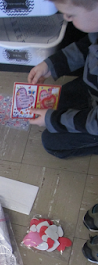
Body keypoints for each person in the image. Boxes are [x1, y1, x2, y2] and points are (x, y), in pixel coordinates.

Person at [27, 0, 98, 158]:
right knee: (57, 100)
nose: (66, 18)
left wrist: (53, 119)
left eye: (71, 14)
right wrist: (51, 65)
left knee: (51, 142)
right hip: (93, 90)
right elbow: (88, 46)